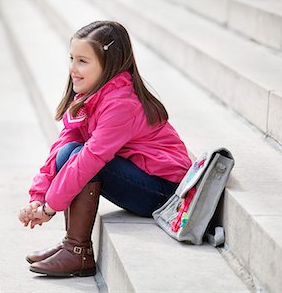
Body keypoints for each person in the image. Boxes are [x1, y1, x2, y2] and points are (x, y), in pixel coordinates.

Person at [18, 21, 191, 277]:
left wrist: (49, 208)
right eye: (72, 58)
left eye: (82, 61)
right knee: (69, 151)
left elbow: (91, 159)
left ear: (108, 64)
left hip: (163, 192)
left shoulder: (122, 104)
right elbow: (61, 147)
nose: (72, 69)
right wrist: (38, 196)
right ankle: (71, 243)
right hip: (139, 179)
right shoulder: (90, 96)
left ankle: (77, 251)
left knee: (82, 158)